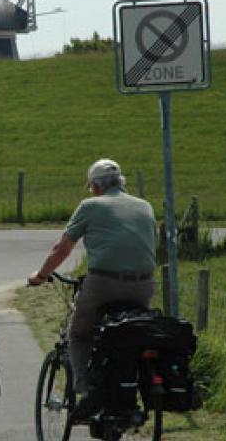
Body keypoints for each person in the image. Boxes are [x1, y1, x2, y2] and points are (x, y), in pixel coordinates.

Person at [27, 159, 157, 421]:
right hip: (144, 285)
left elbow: (62, 248)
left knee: (79, 333)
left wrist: (40, 276)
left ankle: (86, 390)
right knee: (130, 332)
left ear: (96, 186)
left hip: (104, 283)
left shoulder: (91, 206)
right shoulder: (145, 206)